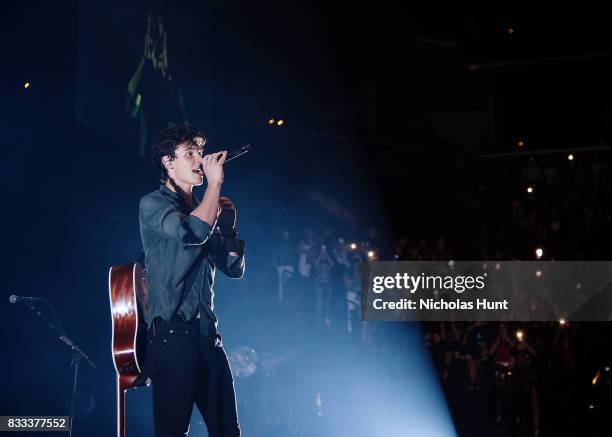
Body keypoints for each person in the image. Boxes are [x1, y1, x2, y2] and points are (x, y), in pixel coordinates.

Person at [138, 123, 245, 436]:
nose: (200, 159)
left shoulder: (204, 210)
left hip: (208, 338)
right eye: (189, 154)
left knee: (228, 430)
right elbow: (193, 232)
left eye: (200, 151)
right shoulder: (153, 204)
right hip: (173, 339)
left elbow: (234, 269)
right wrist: (214, 186)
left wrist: (228, 230)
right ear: (168, 163)